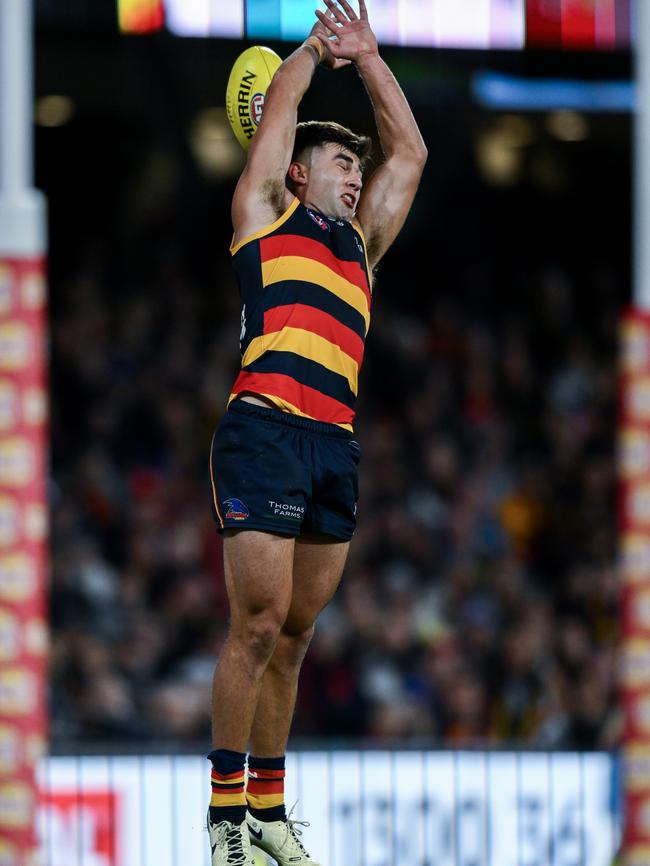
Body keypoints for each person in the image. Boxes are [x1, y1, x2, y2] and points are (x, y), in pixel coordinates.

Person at [207, 1, 427, 864]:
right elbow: (285, 118)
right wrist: (308, 49)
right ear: (297, 171)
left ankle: (266, 815)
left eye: (353, 165)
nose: (354, 173)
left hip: (334, 446)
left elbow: (410, 151)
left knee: (295, 638)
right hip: (264, 431)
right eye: (340, 161)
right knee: (256, 626)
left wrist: (368, 58)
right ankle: (226, 821)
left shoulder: (362, 252)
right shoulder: (264, 216)